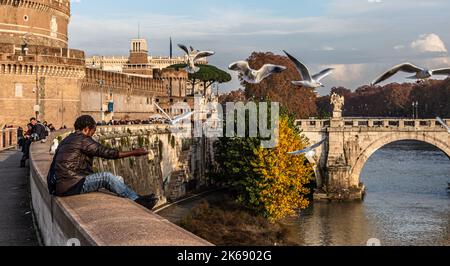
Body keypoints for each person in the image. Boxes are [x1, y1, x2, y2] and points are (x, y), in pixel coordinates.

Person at [51, 115, 158, 210]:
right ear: (87, 129)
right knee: (106, 177)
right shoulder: (82, 139)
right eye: (93, 131)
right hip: (72, 185)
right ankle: (137, 200)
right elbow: (107, 153)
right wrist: (135, 152)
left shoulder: (67, 139)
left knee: (118, 180)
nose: (92, 135)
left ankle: (129, 201)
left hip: (63, 184)